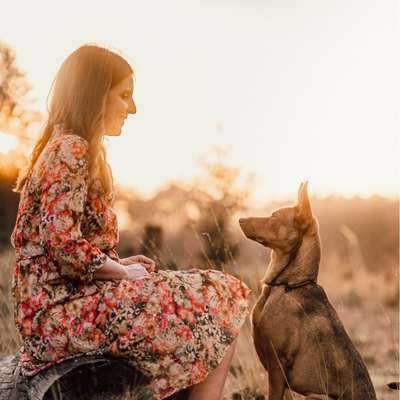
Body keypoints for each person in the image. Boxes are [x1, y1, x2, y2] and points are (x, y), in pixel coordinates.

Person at [11, 44, 249, 400]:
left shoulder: (72, 147)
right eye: (124, 95)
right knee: (220, 294)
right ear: (94, 95)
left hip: (65, 304)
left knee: (216, 294)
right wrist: (120, 274)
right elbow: (61, 246)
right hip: (57, 316)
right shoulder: (70, 148)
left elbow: (60, 248)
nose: (132, 108)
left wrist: (116, 264)